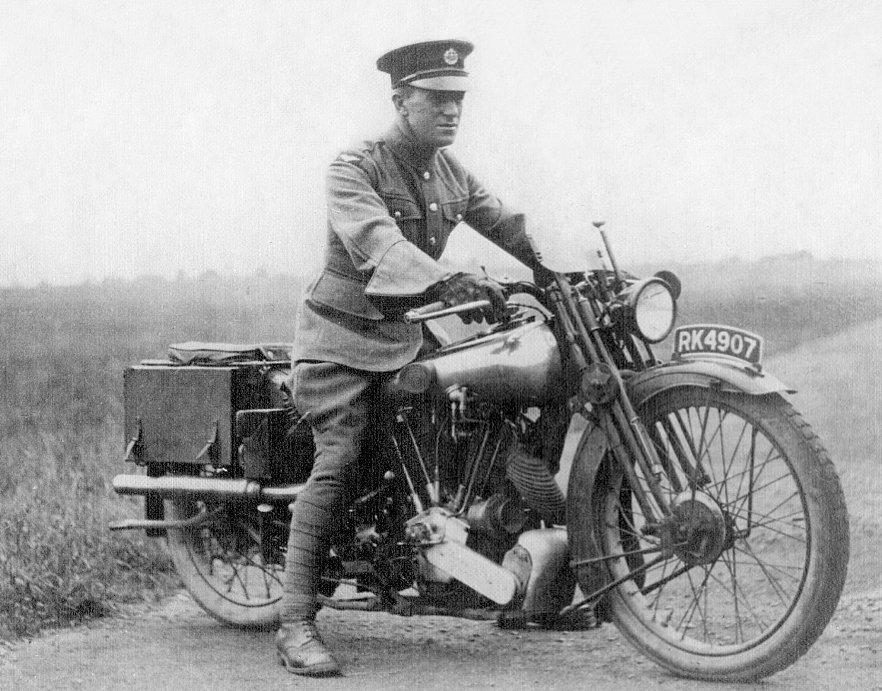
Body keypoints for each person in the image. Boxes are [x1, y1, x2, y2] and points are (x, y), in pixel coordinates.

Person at [276, 39, 543, 677]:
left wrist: (556, 271)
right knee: (341, 457)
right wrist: (445, 281)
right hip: (341, 343)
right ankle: (294, 622)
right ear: (401, 100)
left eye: (458, 100)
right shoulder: (356, 166)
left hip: (407, 337)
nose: (452, 111)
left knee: (481, 405)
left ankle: (475, 555)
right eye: (437, 99)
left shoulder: (449, 171)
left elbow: (505, 223)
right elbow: (379, 243)